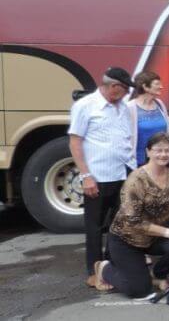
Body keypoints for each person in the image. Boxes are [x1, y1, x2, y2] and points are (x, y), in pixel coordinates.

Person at [93, 133, 169, 297]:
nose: (163, 154)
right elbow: (133, 222)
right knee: (139, 290)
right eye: (158, 150)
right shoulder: (136, 180)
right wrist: (168, 232)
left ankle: (158, 275)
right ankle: (104, 269)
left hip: (154, 237)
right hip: (127, 239)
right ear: (148, 152)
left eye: (167, 150)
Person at [69, 67, 137, 287]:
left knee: (119, 224)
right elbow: (75, 142)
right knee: (95, 226)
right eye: (125, 89)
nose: (127, 94)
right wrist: (86, 175)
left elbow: (126, 139)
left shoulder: (124, 108)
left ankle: (109, 265)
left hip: (123, 172)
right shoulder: (85, 106)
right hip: (98, 176)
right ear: (115, 87)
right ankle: (93, 269)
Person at [127, 71, 169, 168]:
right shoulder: (130, 107)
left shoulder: (160, 104)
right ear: (145, 87)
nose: (161, 87)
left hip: (163, 161)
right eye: (157, 84)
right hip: (140, 163)